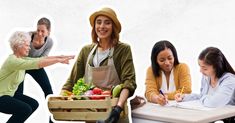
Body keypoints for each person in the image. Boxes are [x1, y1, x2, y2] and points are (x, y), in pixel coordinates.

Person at [60, 7, 136, 123]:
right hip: (91, 113)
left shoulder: (123, 50)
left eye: (107, 23)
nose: (102, 26)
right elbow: (71, 82)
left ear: (113, 27)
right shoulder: (86, 51)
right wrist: (59, 105)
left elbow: (128, 82)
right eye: (98, 22)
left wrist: (118, 108)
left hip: (115, 113)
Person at [0, 31, 74, 123]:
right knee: (25, 109)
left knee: (33, 104)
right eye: (27, 45)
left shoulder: (21, 59)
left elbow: (41, 59)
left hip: (9, 95)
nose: (29, 48)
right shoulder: (13, 61)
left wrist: (60, 58)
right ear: (18, 46)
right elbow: (37, 63)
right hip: (1, 97)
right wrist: (58, 60)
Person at [145, 40, 192, 106]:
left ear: (174, 56)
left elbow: (187, 90)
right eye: (162, 60)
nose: (167, 63)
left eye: (170, 58)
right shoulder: (151, 70)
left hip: (180, 109)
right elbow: (149, 92)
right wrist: (157, 99)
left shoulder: (183, 67)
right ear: (156, 61)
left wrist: (164, 95)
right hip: (159, 110)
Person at [16, 17, 54, 98]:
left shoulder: (49, 42)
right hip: (22, 65)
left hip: (36, 66)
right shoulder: (27, 37)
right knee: (18, 91)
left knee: (48, 90)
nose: (39, 33)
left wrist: (36, 62)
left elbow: (43, 59)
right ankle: (18, 109)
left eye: (43, 31)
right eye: (38, 30)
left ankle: (52, 109)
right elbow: (19, 55)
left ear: (48, 31)